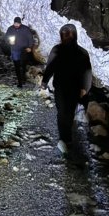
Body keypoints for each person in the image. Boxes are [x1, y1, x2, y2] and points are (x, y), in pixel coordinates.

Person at [41, 23, 93, 156]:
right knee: (62, 111)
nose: (66, 37)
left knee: (68, 112)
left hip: (74, 88)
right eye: (64, 34)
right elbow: (50, 67)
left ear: (74, 35)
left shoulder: (81, 52)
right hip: (61, 87)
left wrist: (85, 88)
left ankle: (66, 137)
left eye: (68, 34)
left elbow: (87, 72)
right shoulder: (57, 50)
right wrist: (45, 81)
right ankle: (64, 137)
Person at [5, 16, 34, 87]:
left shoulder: (25, 29)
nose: (16, 25)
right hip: (15, 49)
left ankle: (23, 79)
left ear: (20, 23)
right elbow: (6, 37)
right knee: (16, 65)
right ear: (13, 23)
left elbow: (30, 38)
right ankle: (20, 82)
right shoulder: (10, 29)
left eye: (18, 23)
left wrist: (30, 47)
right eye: (15, 23)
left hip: (23, 49)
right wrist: (9, 42)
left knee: (23, 65)